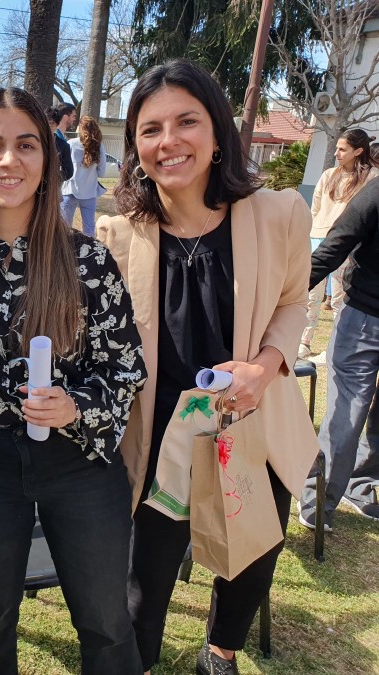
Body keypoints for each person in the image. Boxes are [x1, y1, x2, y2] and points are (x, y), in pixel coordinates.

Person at [97, 59, 316, 675]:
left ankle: (219, 652)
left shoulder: (279, 215)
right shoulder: (117, 238)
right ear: (136, 147)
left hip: (251, 428)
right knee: (146, 581)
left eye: (187, 121)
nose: (169, 141)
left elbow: (295, 301)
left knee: (247, 561)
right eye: (150, 129)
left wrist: (267, 365)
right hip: (159, 438)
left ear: (218, 132)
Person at [0, 86, 147, 675]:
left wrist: (77, 406)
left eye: (26, 145)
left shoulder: (86, 259)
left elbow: (125, 364)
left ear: (48, 159)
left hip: (79, 464)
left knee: (106, 620)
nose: (9, 161)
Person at [300, 176, 379, 526]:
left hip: (363, 316)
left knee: (348, 407)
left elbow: (337, 243)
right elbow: (336, 245)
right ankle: (325, 498)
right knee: (349, 410)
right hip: (365, 315)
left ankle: (340, 493)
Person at [299, 128, 377, 359]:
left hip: (350, 244)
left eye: (342, 149)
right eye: (336, 148)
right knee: (312, 295)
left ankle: (335, 345)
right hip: (318, 237)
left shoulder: (371, 178)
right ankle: (304, 341)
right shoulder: (329, 174)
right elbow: (316, 207)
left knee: (340, 297)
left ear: (358, 151)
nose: (337, 153)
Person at [61, 115, 107, 234]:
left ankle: (63, 251)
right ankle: (89, 250)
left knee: (64, 228)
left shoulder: (70, 143)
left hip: (70, 190)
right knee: (89, 227)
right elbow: (102, 173)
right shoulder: (99, 147)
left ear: (80, 128)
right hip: (89, 192)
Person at [45, 106, 74, 185]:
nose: (48, 126)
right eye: (46, 123)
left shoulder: (63, 145)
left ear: (57, 125)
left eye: (51, 123)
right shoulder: (35, 141)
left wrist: (52, 177)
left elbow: (68, 171)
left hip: (52, 187)